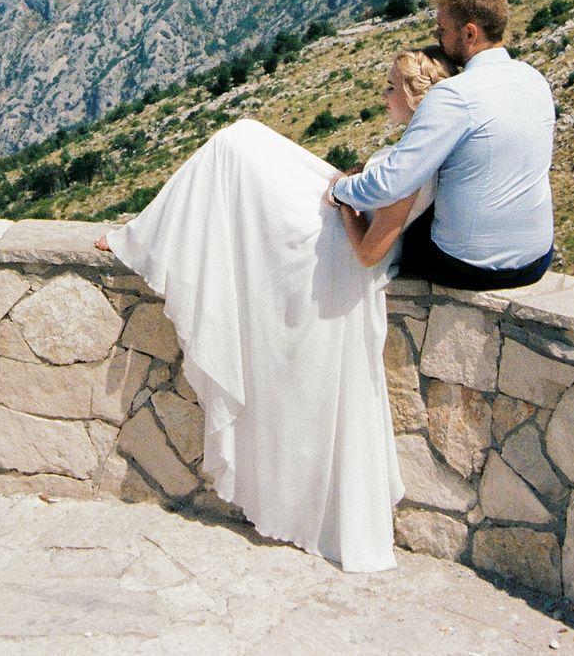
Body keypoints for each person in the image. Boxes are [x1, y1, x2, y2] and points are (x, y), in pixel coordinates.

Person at [95, 48, 454, 573]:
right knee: (235, 144)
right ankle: (143, 232)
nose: (384, 96)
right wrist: (350, 187)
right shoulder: (416, 151)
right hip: (337, 226)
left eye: (393, 88)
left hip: (334, 249)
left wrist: (343, 202)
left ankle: (142, 235)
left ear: (415, 97)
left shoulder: (415, 163)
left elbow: (369, 251)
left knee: (233, 146)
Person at [326, 0, 557, 289]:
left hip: (471, 267)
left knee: (401, 211)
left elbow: (393, 184)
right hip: (537, 259)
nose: (438, 37)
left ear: (469, 32)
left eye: (443, 30)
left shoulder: (455, 95)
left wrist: (340, 190)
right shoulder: (534, 79)